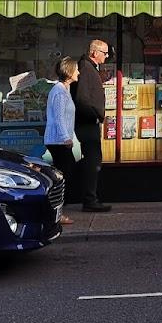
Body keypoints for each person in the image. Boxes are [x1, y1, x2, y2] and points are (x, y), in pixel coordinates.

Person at [70, 38, 112, 212]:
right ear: (95, 53)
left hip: (88, 122)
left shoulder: (89, 68)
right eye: (105, 53)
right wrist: (95, 115)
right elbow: (81, 99)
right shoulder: (86, 69)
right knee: (92, 161)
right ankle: (90, 200)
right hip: (87, 124)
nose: (107, 56)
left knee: (93, 160)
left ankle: (91, 198)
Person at [44, 56, 78, 226]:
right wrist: (66, 137)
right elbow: (58, 117)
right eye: (76, 69)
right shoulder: (58, 91)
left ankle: (55, 210)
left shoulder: (64, 89)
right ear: (69, 72)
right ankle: (56, 211)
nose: (78, 72)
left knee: (64, 174)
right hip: (58, 140)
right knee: (64, 175)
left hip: (60, 140)